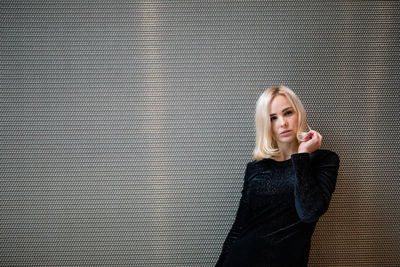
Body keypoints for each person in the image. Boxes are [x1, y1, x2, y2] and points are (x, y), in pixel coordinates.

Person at [215, 86, 340, 267]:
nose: (282, 123)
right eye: (273, 118)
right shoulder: (256, 168)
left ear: (298, 113)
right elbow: (239, 228)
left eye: (288, 113)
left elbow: (309, 212)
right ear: (266, 125)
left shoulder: (324, 160)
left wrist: (302, 156)